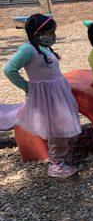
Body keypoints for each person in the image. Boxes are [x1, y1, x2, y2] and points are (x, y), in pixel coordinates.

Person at [3, 14, 81, 178]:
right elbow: (9, 70)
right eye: (51, 33)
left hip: (58, 93)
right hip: (47, 97)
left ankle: (64, 155)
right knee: (57, 129)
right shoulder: (27, 49)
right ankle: (56, 164)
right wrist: (27, 87)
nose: (54, 36)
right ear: (38, 34)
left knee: (68, 124)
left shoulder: (43, 49)